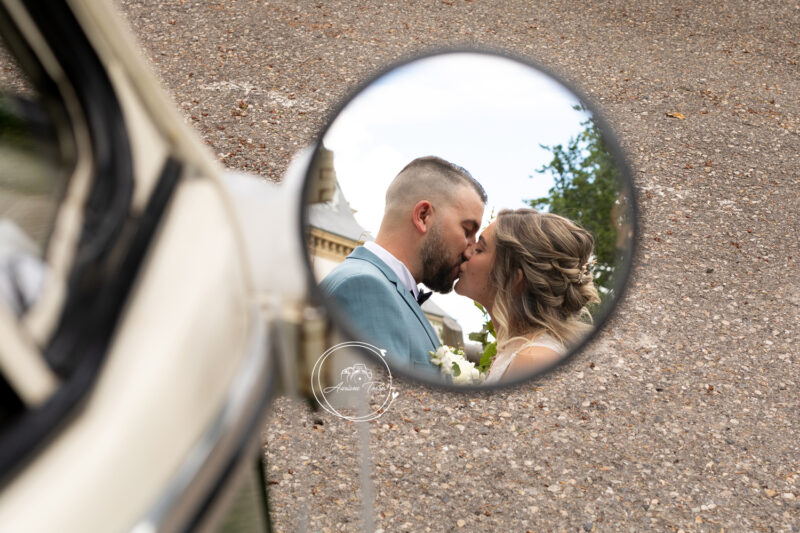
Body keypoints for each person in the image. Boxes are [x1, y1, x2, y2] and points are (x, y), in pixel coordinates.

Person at [320, 156, 486, 377]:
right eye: (467, 231)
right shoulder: (365, 288)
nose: (470, 250)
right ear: (423, 216)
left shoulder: (385, 289)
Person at [454, 208, 600, 384]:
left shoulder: (533, 360)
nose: (467, 253)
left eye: (479, 249)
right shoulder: (515, 351)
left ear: (513, 278)